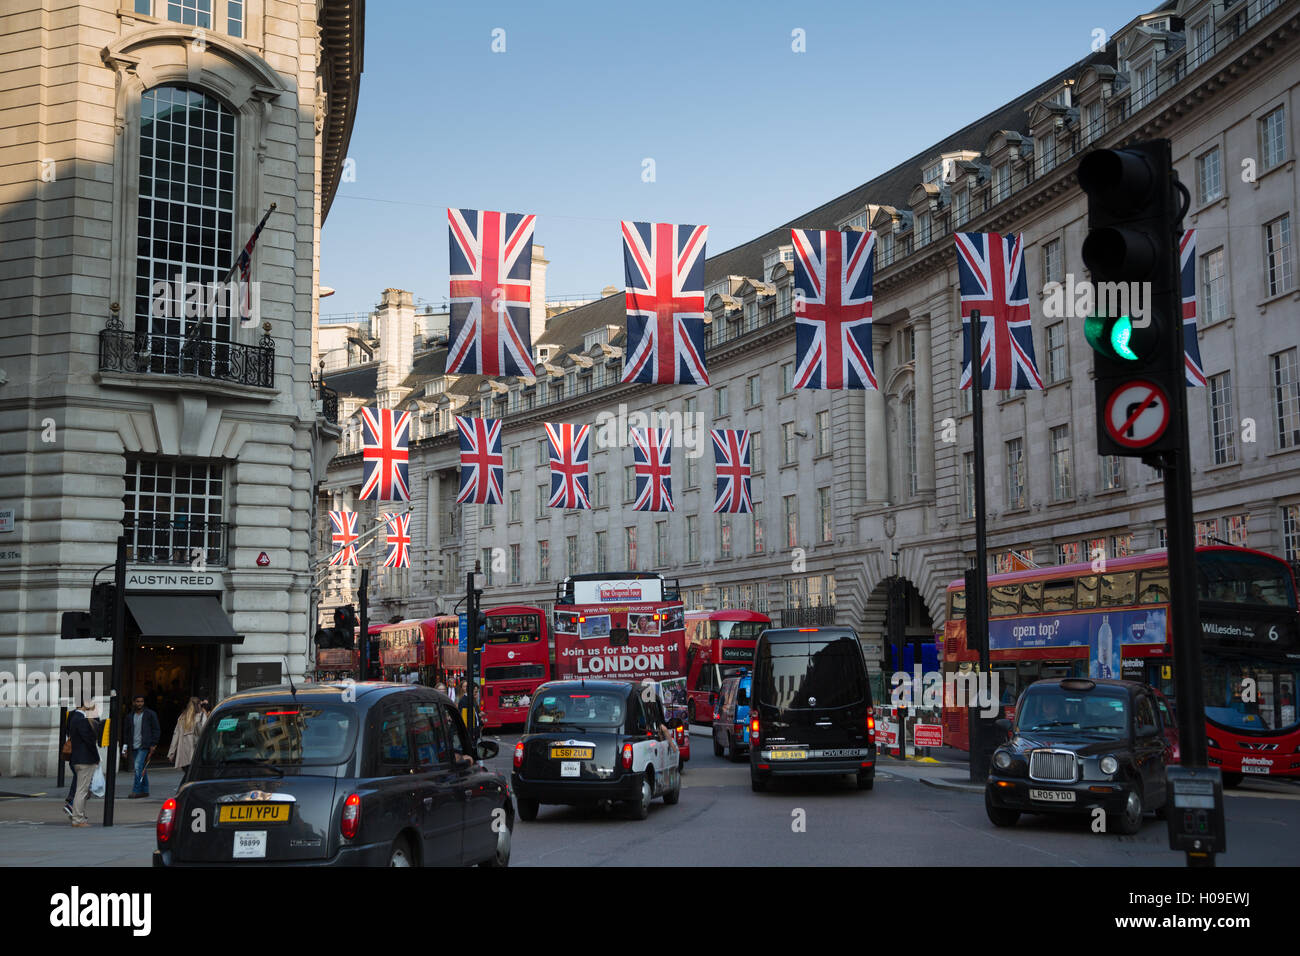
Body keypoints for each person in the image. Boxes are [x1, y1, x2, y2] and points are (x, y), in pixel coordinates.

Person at [68, 699, 101, 827]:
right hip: (85, 759)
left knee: (81, 789)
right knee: (82, 790)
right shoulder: (81, 720)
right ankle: (78, 819)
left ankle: (79, 817)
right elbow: (89, 740)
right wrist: (96, 757)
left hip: (77, 758)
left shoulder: (73, 716)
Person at [122, 695, 160, 798]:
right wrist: (124, 748)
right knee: (141, 768)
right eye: (138, 701)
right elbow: (126, 733)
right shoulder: (130, 716)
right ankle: (145, 790)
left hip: (145, 745)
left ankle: (136, 790)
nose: (139, 704)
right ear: (134, 702)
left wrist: (153, 744)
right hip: (133, 746)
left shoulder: (150, 714)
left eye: (141, 701)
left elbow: (156, 730)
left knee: (138, 767)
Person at [167, 697, 205, 778]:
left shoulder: (182, 717)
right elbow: (205, 733)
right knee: (192, 776)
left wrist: (171, 752)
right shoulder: (201, 716)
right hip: (196, 751)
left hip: (183, 753)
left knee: (188, 775)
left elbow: (175, 735)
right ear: (198, 705)